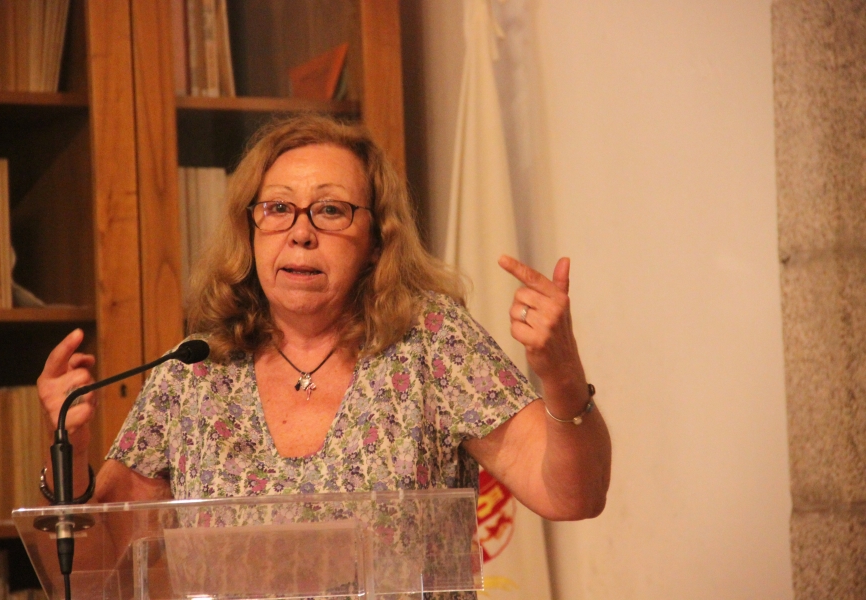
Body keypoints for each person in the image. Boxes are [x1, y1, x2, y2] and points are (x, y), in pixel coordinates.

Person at [38, 113, 610, 554]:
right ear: (249, 229)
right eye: (278, 208)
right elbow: (96, 562)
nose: (300, 232)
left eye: (331, 210)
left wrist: (562, 376)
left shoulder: (432, 343)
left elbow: (573, 496)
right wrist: (72, 452)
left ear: (376, 240)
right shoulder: (195, 368)